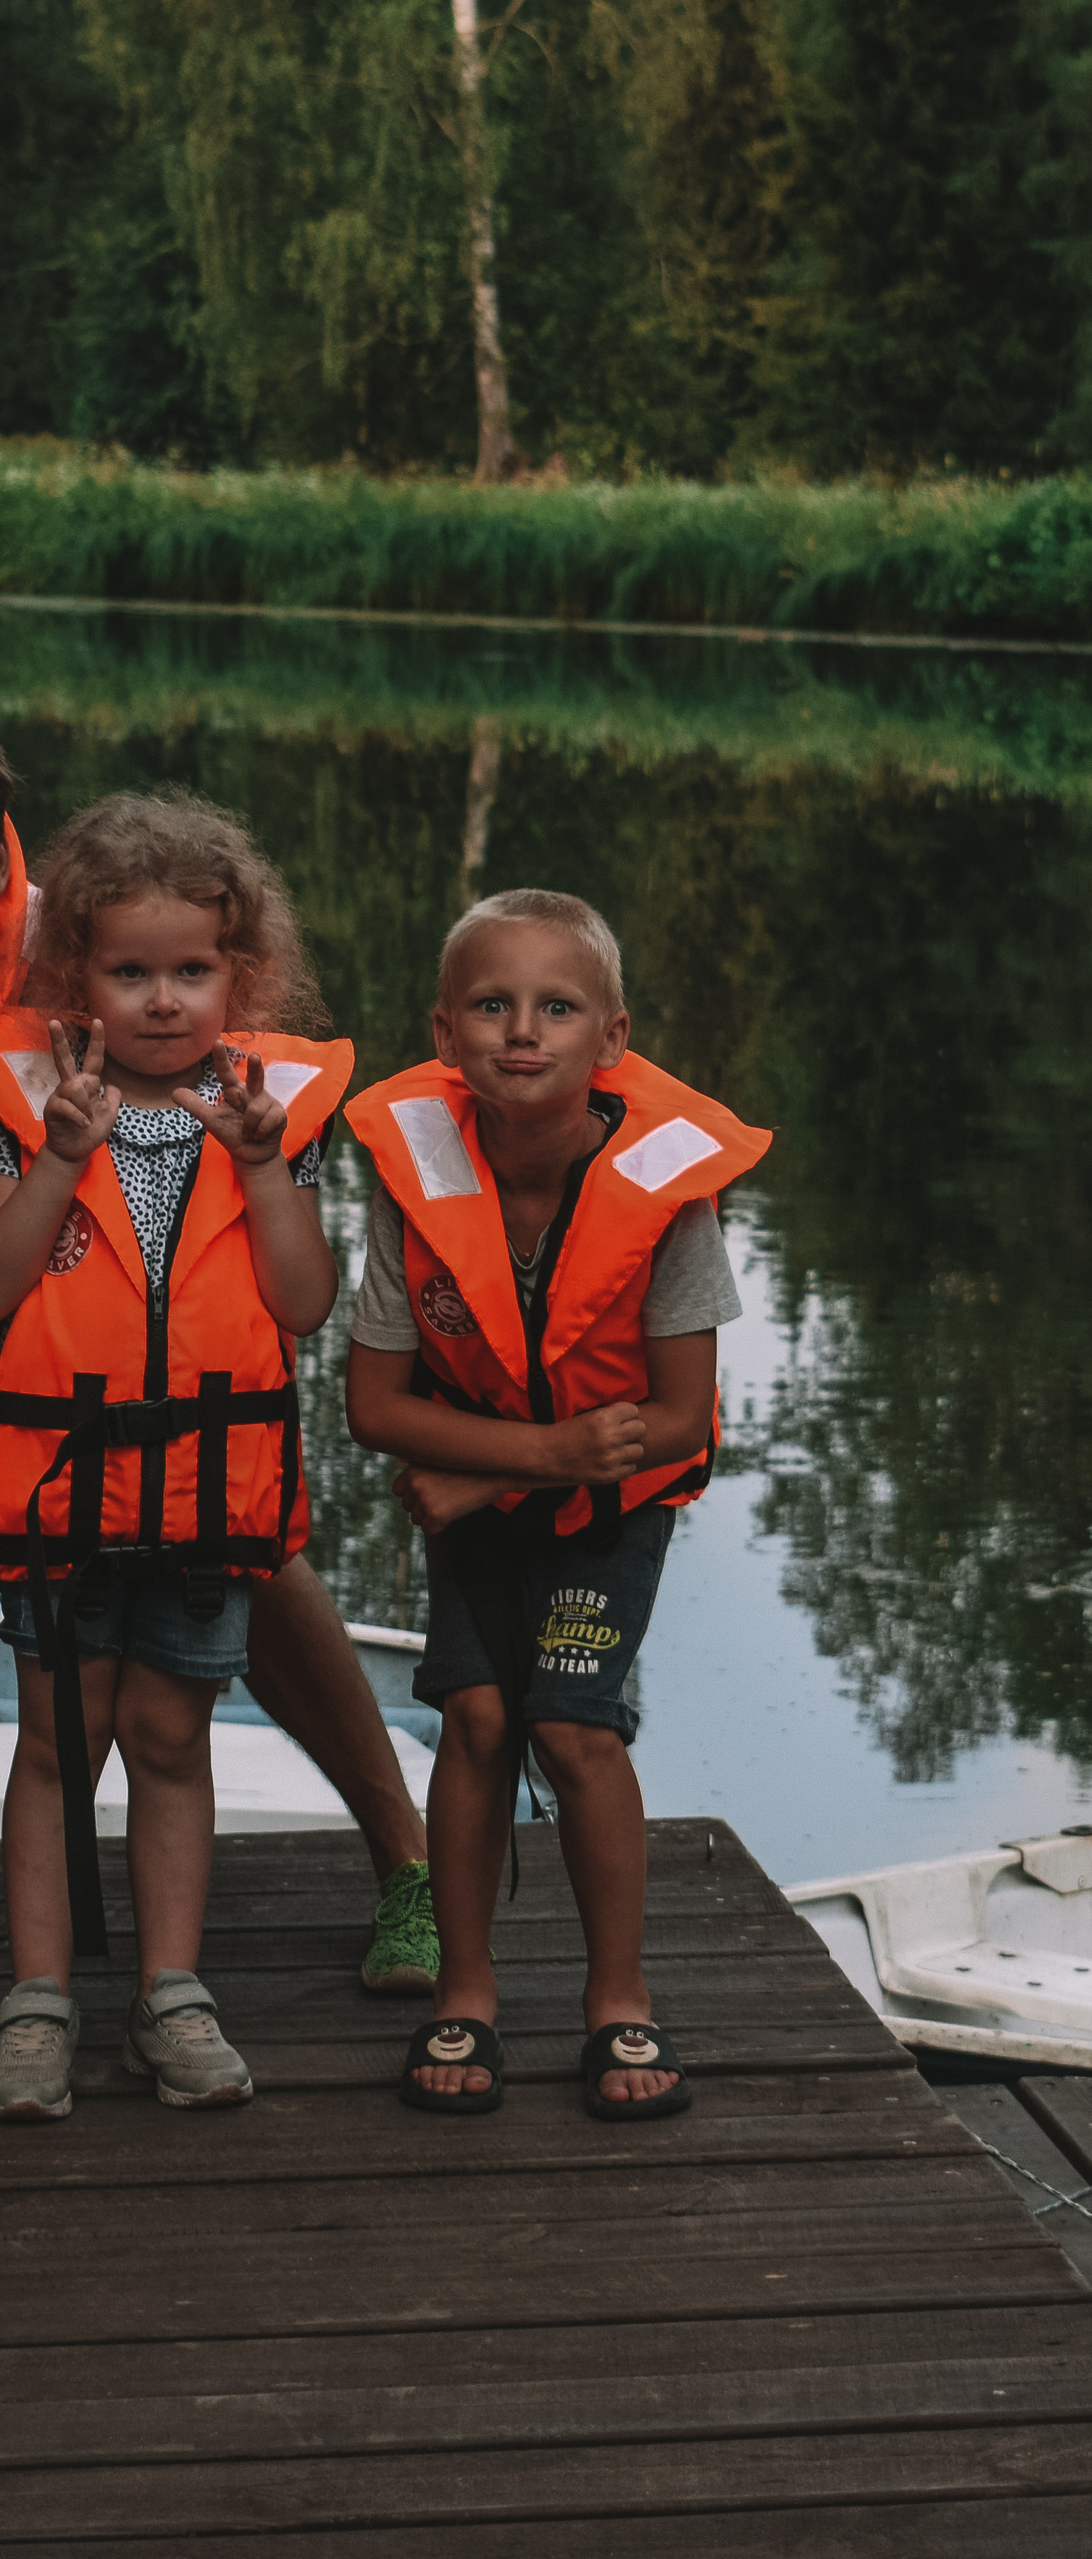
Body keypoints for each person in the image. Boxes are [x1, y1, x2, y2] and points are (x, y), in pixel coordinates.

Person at [0, 702, 437, 1993]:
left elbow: (295, 1281)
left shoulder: (80, 939)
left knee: (236, 1520)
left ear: (3, 866)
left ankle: (407, 1859)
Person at [343, 889, 769, 2121]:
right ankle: (462, 1992)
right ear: (444, 1031)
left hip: (611, 1505)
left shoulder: (667, 1200)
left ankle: (616, 1998)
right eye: (491, 1004)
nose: (521, 1031)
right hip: (506, 1481)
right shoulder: (409, 1183)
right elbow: (377, 1407)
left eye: (555, 1007)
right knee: (475, 1720)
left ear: (611, 1038)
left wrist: (494, 1466)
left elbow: (679, 1419)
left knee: (576, 1729)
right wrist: (532, 1450)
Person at [0, 792, 345, 2118]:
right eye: (131, 972)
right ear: (77, 977)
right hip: (61, 1487)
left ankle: (171, 1993)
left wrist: (270, 1169)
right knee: (56, 1742)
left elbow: (300, 1306)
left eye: (192, 972)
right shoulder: (17, 1106)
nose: (165, 1000)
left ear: (244, 977)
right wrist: (63, 1156)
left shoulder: (267, 1112)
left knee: (174, 1736)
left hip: (203, 1498)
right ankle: (39, 2001)